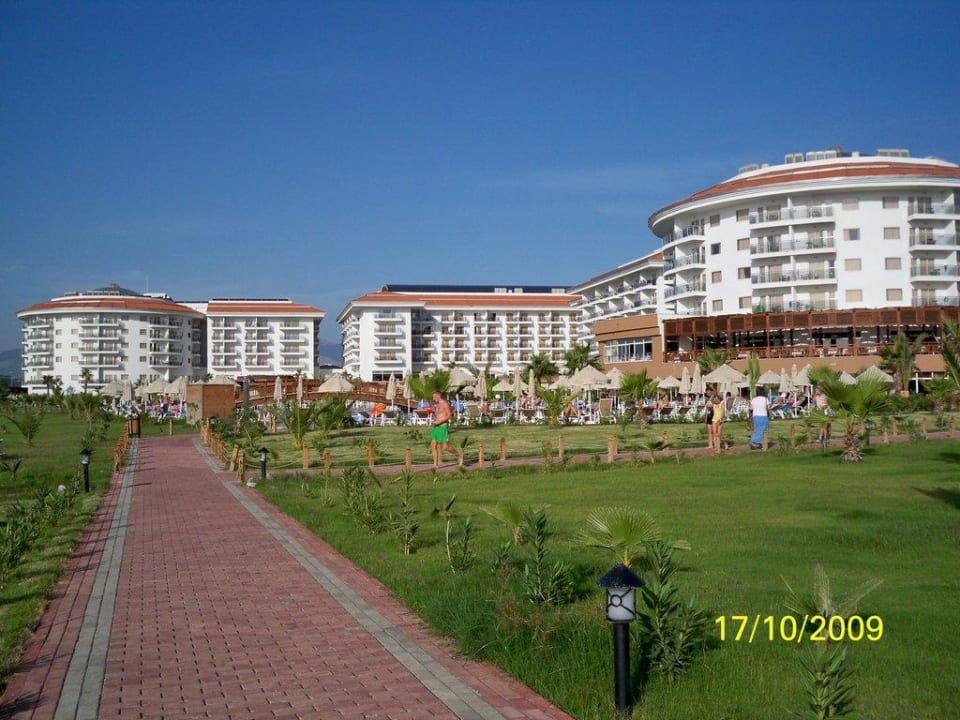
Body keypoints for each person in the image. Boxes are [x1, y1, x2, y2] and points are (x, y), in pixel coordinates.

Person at [430, 391, 464, 469]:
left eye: (434, 397)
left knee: (445, 447)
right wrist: (435, 420)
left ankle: (459, 455)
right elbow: (439, 415)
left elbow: (449, 416)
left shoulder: (445, 404)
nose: (433, 399)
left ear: (438, 396)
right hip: (436, 427)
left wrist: (439, 422)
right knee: (433, 445)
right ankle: (435, 464)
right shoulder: (437, 405)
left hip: (443, 427)